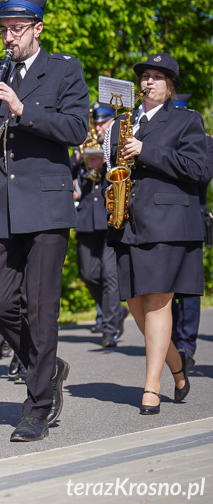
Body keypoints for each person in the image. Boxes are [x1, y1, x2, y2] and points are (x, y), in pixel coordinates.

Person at [0, 0, 88, 441]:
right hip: (1, 201)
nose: (8, 37)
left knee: (41, 310)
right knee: (0, 302)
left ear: (38, 28)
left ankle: (37, 404)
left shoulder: (63, 69)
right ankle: (49, 366)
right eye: (3, 29)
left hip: (46, 203)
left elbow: (76, 129)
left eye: (16, 30)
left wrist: (22, 109)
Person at [105, 54, 206, 415]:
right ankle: (178, 368)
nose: (149, 83)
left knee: (158, 301)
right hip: (128, 222)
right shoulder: (122, 124)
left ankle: (151, 387)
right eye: (145, 76)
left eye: (157, 78)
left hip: (168, 222)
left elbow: (199, 168)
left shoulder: (187, 120)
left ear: (170, 86)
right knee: (136, 306)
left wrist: (147, 151)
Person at [72, 102, 128, 348]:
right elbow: (69, 173)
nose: (98, 126)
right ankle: (114, 312)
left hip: (108, 217)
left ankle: (109, 328)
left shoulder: (115, 145)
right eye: (96, 122)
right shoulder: (84, 143)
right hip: (86, 218)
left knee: (109, 275)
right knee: (88, 273)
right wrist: (77, 157)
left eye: (102, 122)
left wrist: (104, 160)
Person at [168, 93, 210, 368]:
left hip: (192, 217)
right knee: (166, 290)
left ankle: (186, 344)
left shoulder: (205, 142)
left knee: (189, 290)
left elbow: (202, 174)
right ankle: (171, 341)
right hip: (164, 219)